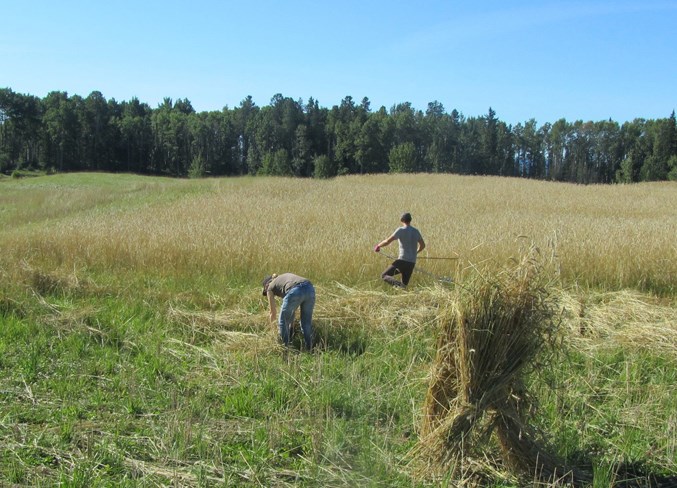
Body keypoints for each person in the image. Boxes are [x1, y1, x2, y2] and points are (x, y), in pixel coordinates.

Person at [262, 273, 315, 350]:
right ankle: (310, 348)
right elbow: (292, 311)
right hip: (310, 288)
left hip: (295, 290)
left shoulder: (270, 288)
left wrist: (273, 332)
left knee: (283, 321)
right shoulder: (284, 280)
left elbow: (272, 313)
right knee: (306, 323)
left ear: (266, 285)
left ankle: (285, 349)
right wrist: (291, 328)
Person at [374, 212, 426, 288]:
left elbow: (387, 241)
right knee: (404, 286)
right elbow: (423, 245)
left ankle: (400, 286)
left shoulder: (401, 230)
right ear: (410, 220)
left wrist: (378, 245)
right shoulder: (416, 231)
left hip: (402, 261)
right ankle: (403, 289)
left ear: (402, 220)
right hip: (411, 263)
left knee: (384, 275)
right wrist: (416, 252)